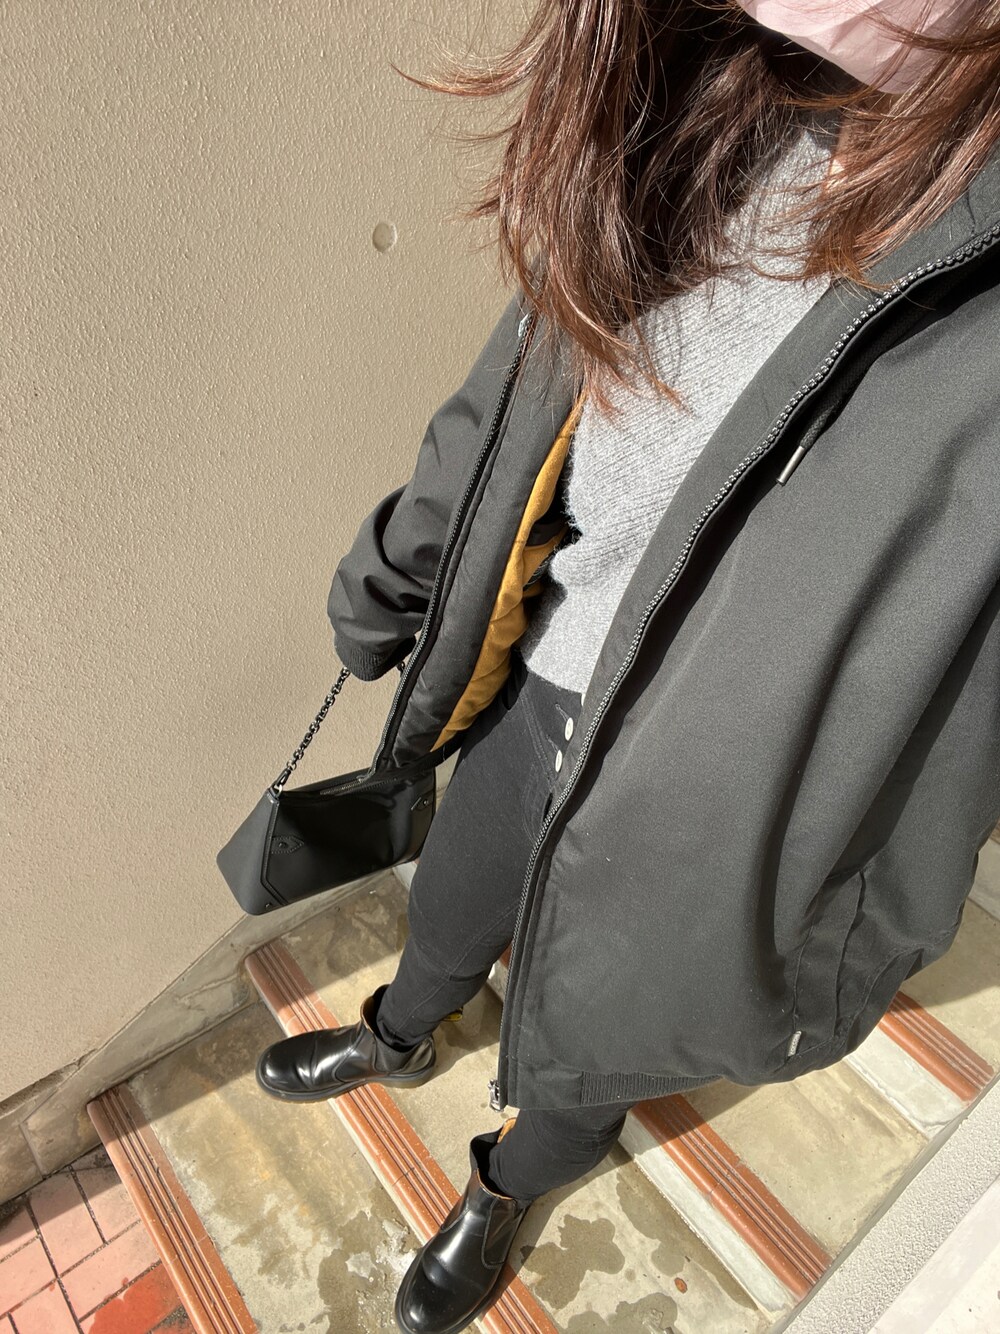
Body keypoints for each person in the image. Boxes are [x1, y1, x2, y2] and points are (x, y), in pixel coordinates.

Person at [256, 2, 1000, 1330]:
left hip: (703, 788)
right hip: (541, 679)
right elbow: (517, 391)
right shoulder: (691, 106)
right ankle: (399, 1031)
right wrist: (392, 577)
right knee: (453, 900)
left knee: (597, 1021)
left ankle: (507, 1185)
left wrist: (855, 918)